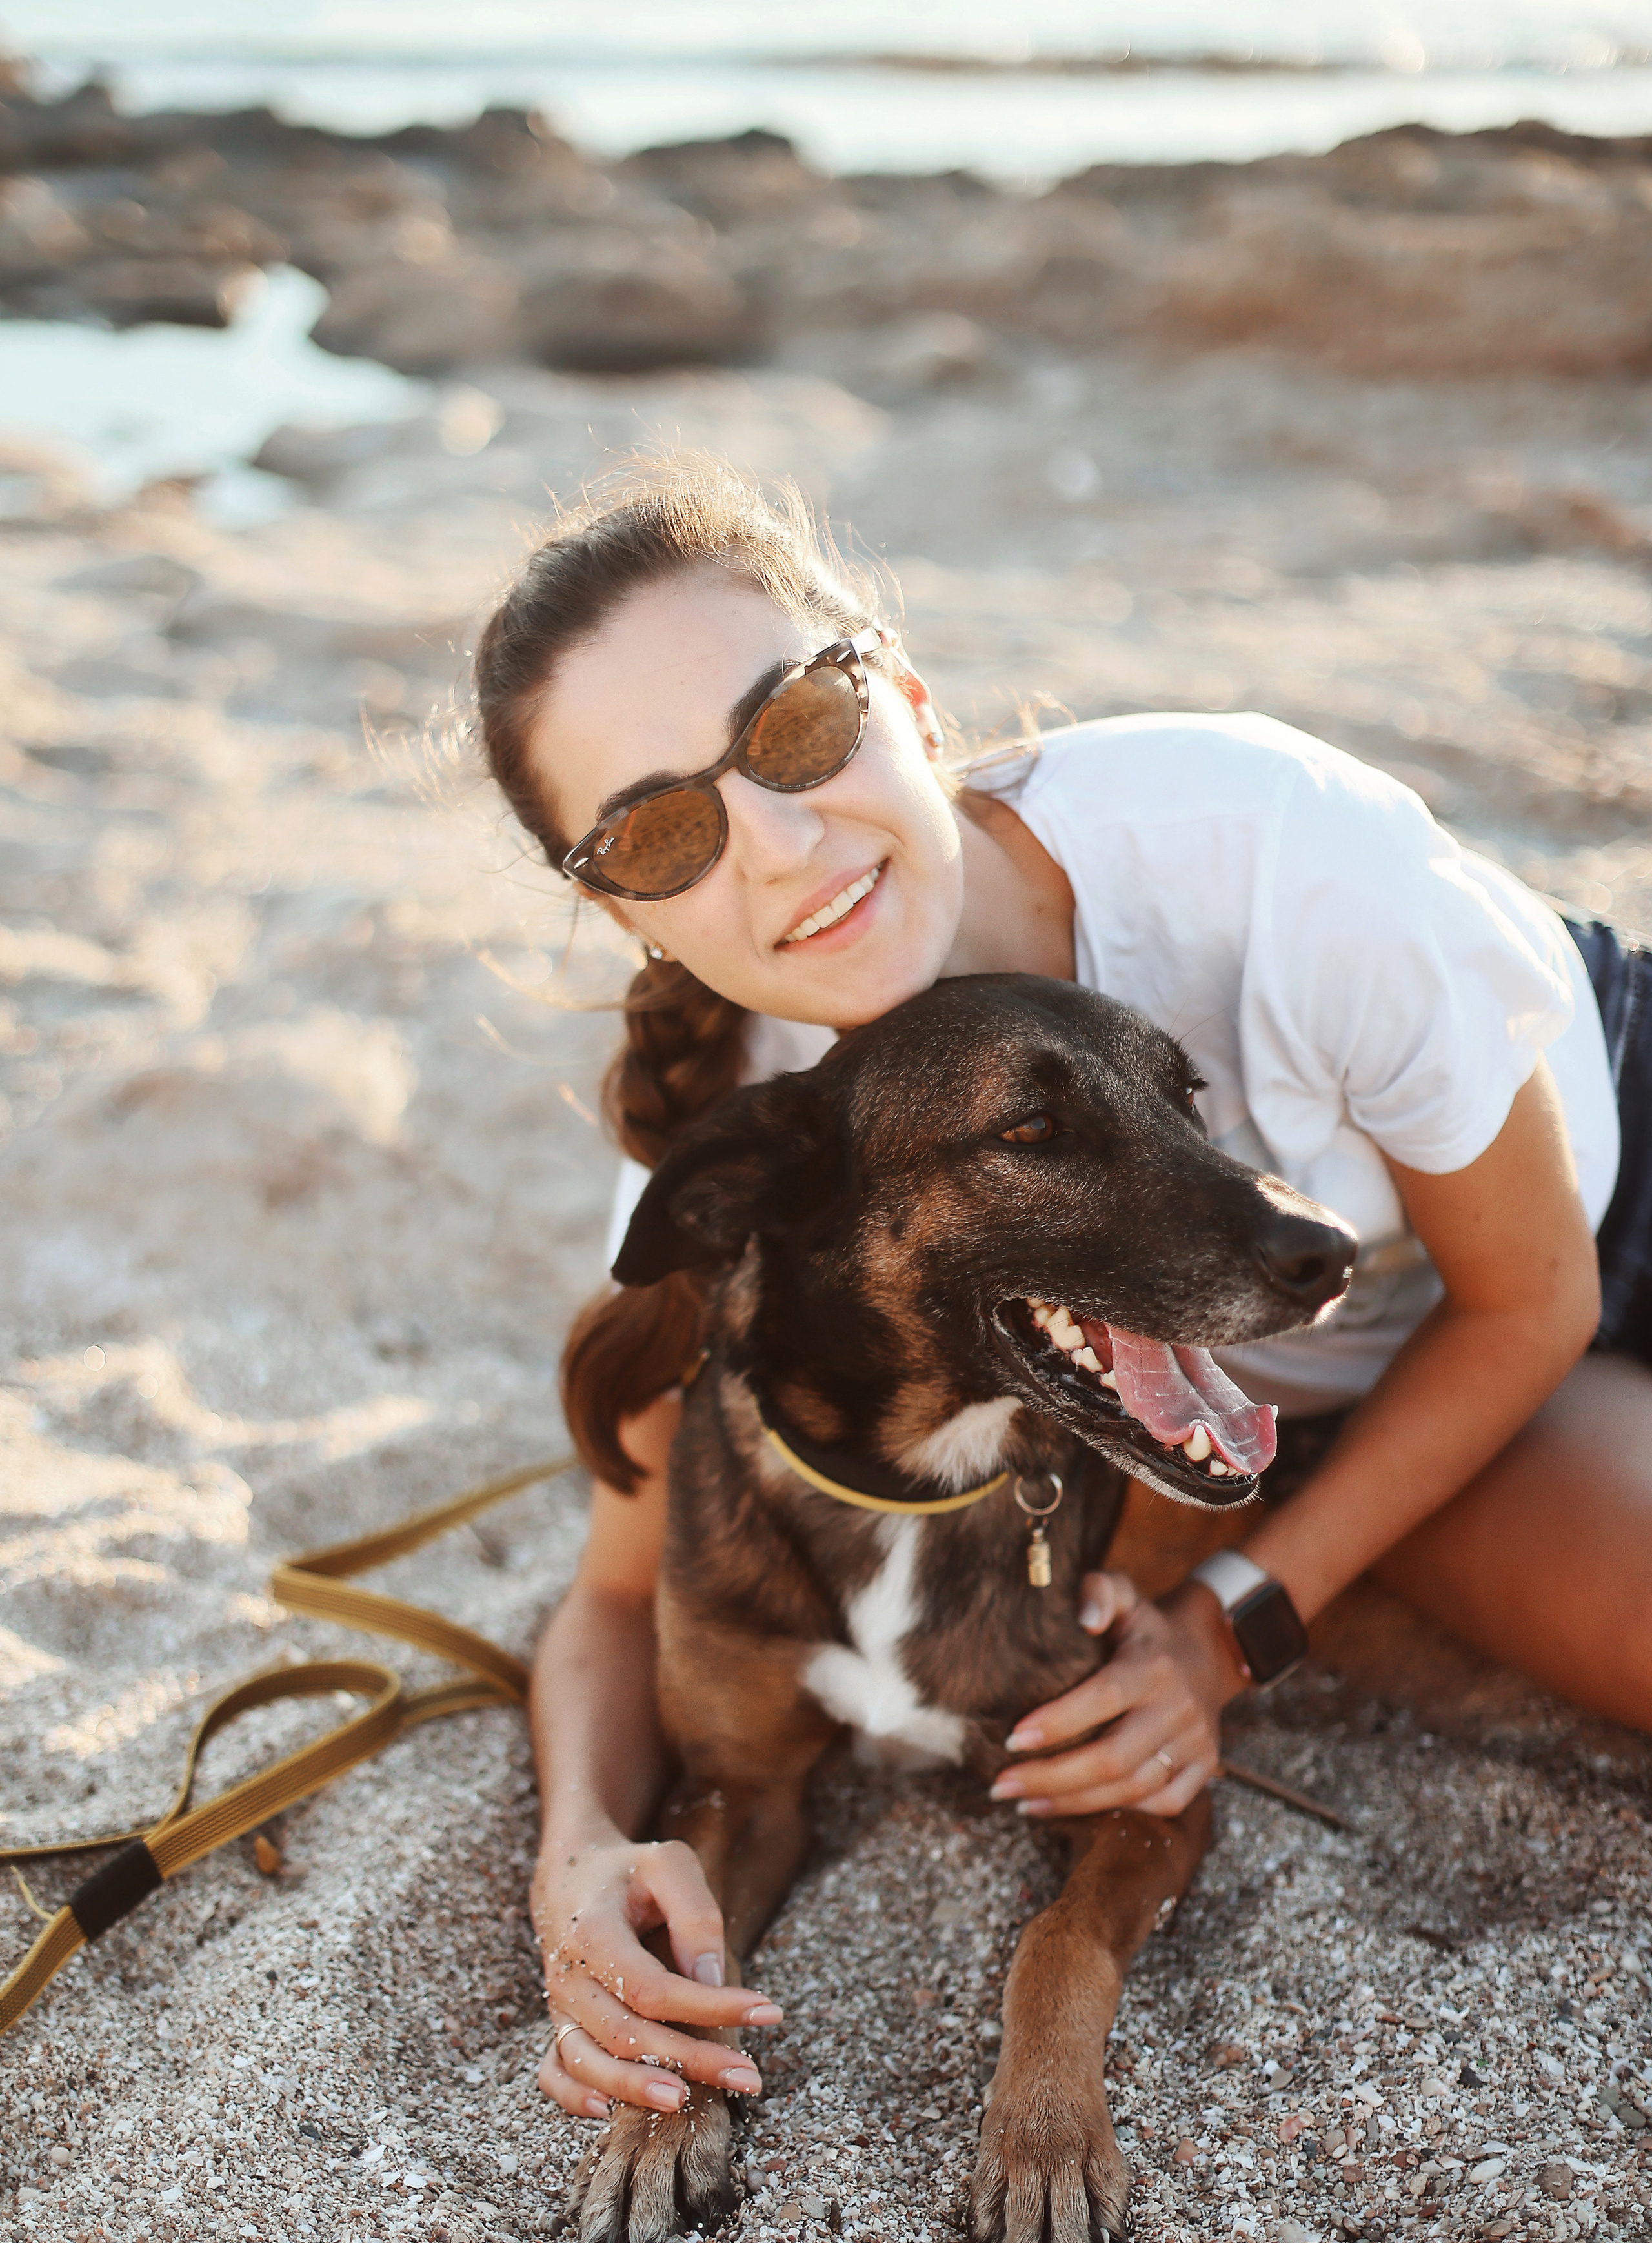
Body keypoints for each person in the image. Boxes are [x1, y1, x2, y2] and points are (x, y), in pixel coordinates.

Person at [472, 456, 1652, 2130]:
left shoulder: (1267, 851)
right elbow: (609, 1596)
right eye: (662, 828)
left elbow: (1527, 1301)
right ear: (620, 905)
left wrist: (1219, 1635)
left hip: (1570, 1223)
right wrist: (578, 1858)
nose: (787, 844)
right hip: (1332, 1413)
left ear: (905, 698)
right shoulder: (757, 1142)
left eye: (798, 730)